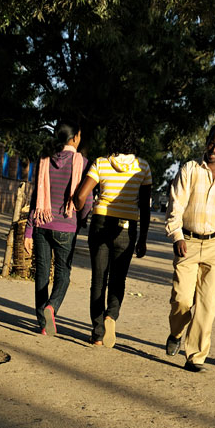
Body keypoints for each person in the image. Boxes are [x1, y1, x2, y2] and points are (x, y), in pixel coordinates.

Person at [164, 124, 215, 372]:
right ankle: (176, 333)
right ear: (207, 140)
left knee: (207, 304)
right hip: (187, 243)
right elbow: (175, 206)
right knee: (182, 300)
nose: (214, 149)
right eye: (212, 143)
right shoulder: (189, 169)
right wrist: (177, 236)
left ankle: (195, 356)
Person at [72, 120, 151, 347]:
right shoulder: (142, 167)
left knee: (98, 279)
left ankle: (97, 334)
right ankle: (111, 316)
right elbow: (145, 207)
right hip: (128, 227)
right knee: (119, 278)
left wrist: (79, 213)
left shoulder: (101, 163)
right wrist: (143, 238)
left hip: (101, 222)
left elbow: (81, 196)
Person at [23, 121, 91, 335]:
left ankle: (43, 324)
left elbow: (35, 197)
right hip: (67, 225)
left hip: (42, 224)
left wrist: (28, 231)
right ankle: (51, 307)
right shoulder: (83, 163)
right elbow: (86, 200)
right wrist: (81, 221)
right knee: (64, 274)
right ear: (75, 137)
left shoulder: (43, 160)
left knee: (42, 273)